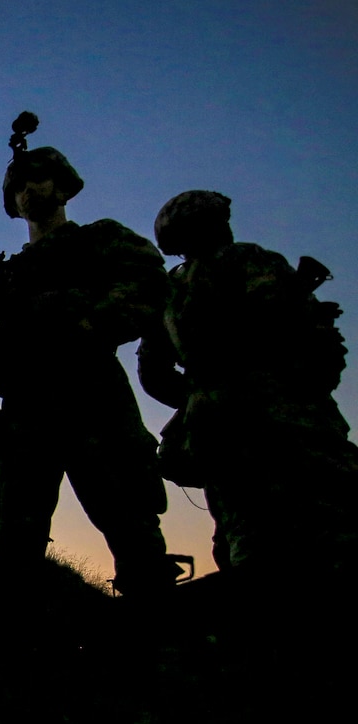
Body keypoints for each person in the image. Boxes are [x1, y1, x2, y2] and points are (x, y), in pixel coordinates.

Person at [0, 112, 179, 597]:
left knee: (128, 520)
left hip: (93, 393)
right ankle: (19, 651)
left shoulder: (98, 239)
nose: (29, 191)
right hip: (26, 411)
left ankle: (159, 635)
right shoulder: (4, 278)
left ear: (63, 185)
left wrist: (88, 322)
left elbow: (148, 282)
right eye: (19, 188)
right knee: (14, 538)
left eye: (39, 179)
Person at [142, 190, 358, 581]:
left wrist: (200, 398)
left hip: (215, 429)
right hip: (290, 421)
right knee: (338, 522)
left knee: (245, 537)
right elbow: (302, 334)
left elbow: (153, 374)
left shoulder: (167, 291)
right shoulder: (248, 260)